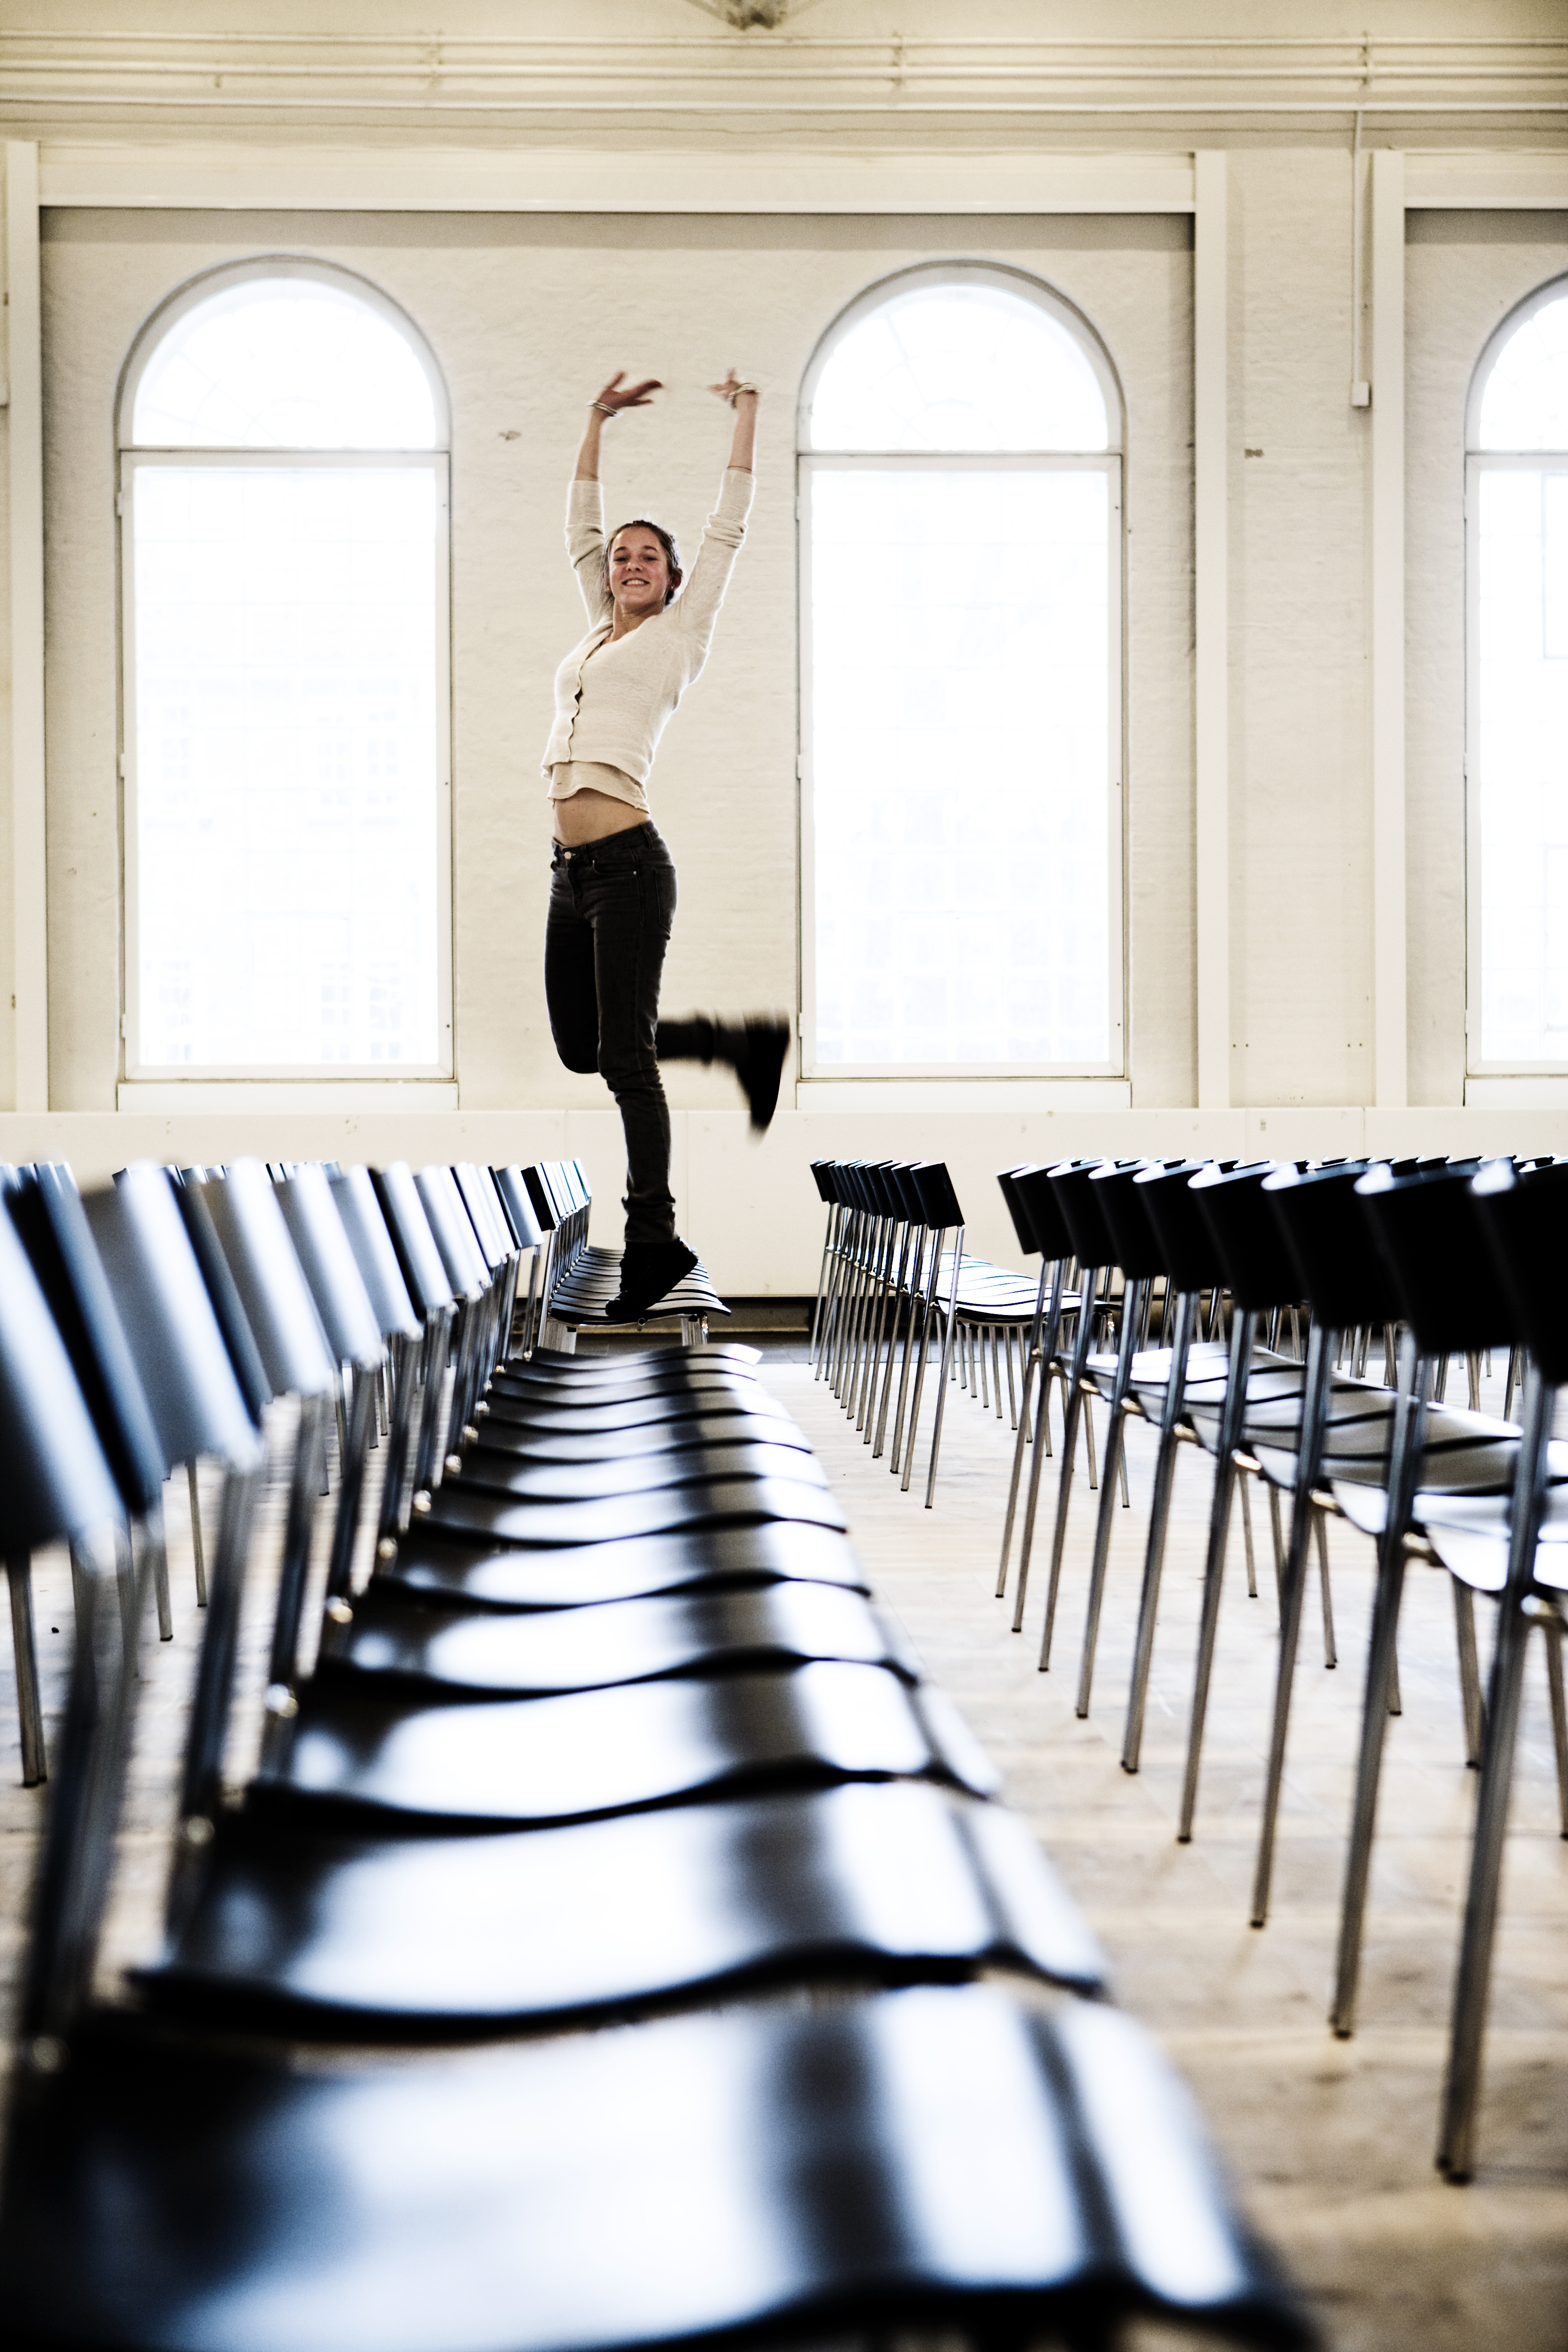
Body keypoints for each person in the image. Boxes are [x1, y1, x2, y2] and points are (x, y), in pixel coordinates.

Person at [542, 367, 789, 1323]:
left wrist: (747, 416)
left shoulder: (679, 635)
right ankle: (732, 1043)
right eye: (620, 557)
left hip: (631, 867)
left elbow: (727, 527)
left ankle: (654, 1237)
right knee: (582, 1049)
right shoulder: (593, 635)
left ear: (672, 579)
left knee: (627, 1065)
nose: (629, 563)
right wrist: (594, 417)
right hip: (569, 874)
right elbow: (578, 527)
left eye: (648, 557)